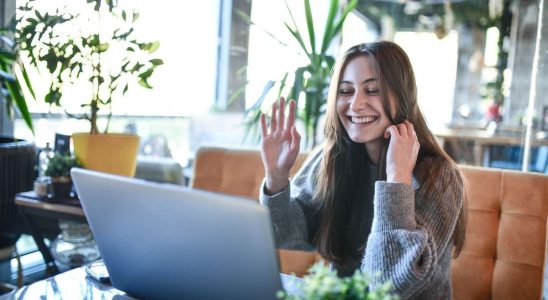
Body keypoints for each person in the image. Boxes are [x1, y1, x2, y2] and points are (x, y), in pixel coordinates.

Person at [258, 41, 467, 299]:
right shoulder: (332, 158)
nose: (356, 105)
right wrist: (277, 178)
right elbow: (289, 238)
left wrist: (397, 181)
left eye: (372, 90)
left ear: (403, 96)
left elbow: (390, 284)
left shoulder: (440, 177)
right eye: (346, 91)